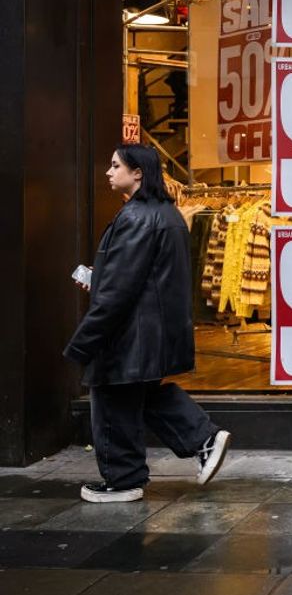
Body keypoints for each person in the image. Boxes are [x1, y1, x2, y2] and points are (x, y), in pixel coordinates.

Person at [64, 143, 231, 503]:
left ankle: (125, 480)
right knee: (136, 396)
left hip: (131, 334)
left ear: (137, 172)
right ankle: (200, 438)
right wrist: (100, 276)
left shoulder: (136, 218)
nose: (108, 172)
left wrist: (83, 341)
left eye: (115, 166)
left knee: (110, 397)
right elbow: (143, 276)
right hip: (150, 332)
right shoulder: (166, 214)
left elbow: (120, 291)